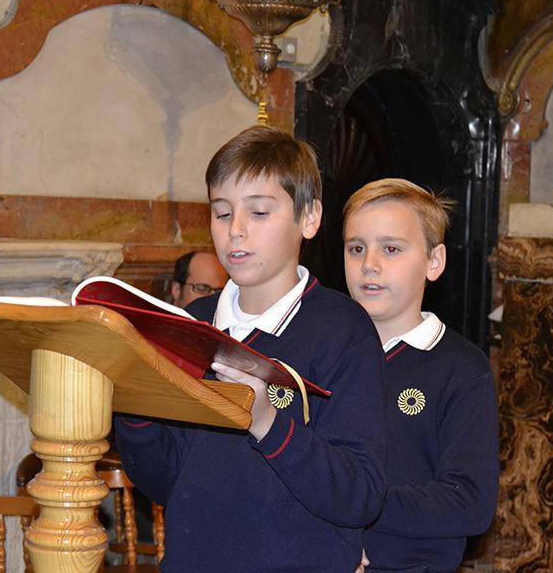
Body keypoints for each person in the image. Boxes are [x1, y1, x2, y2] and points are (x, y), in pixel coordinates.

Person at [115, 126, 387, 572]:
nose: (236, 231)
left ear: (309, 217)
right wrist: (134, 407)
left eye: (258, 213)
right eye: (222, 214)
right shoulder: (189, 324)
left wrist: (268, 423)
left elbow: (360, 495)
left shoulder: (343, 331)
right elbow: (168, 483)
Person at [342, 178, 499, 573]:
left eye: (391, 248)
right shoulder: (324, 352)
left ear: (434, 262)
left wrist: (355, 505)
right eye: (356, 248)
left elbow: (469, 501)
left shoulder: (461, 368)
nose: (369, 264)